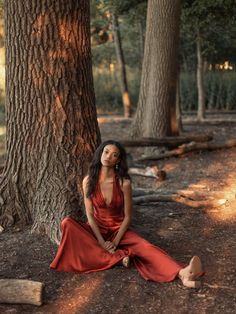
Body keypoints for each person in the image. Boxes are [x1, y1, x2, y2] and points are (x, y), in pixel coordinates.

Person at [50, 140, 203, 288]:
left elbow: (128, 216)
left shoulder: (124, 183)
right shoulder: (88, 181)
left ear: (118, 160)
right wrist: (102, 242)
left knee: (146, 246)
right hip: (97, 229)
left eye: (114, 155)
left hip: (119, 229)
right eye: (106, 151)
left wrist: (115, 242)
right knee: (67, 223)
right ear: (100, 153)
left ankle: (183, 273)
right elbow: (89, 214)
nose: (108, 156)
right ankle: (117, 256)